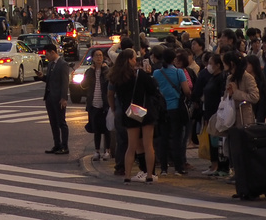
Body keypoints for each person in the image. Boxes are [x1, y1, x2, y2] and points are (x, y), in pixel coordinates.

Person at [112, 47, 159, 183]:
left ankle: (127, 175)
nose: (135, 60)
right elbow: (152, 89)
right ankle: (149, 175)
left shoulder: (117, 76)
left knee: (131, 146)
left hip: (130, 112)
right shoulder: (140, 74)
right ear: (129, 60)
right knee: (148, 145)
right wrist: (148, 74)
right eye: (133, 58)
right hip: (144, 111)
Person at [152, 48, 191, 176]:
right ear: (174, 59)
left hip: (163, 109)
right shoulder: (179, 72)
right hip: (176, 108)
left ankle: (164, 168)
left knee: (163, 139)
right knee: (177, 139)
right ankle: (178, 168)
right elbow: (186, 91)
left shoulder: (157, 73)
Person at [81, 48, 111, 160]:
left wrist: (104, 70)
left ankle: (107, 150)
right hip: (93, 103)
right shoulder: (90, 71)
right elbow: (84, 85)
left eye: (100, 55)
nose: (99, 57)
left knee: (107, 128)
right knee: (96, 129)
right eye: (96, 55)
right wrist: (90, 72)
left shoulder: (106, 70)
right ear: (93, 58)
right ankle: (97, 151)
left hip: (105, 103)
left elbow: (109, 82)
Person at [40, 42, 70, 155]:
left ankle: (65, 146)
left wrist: (63, 98)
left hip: (58, 98)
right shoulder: (50, 64)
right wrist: (42, 77)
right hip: (49, 97)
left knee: (61, 122)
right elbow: (49, 79)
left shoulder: (63, 64)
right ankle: (57, 144)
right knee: (53, 123)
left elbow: (65, 83)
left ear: (53, 52)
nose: (46, 57)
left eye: (47, 54)